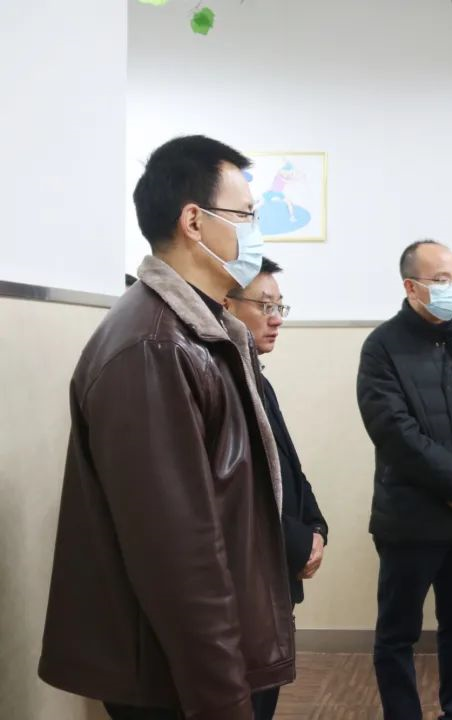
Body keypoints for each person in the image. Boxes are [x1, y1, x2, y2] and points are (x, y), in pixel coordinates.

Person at [38, 135, 295, 720]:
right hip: (172, 677)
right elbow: (180, 559)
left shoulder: (198, 330)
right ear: (194, 222)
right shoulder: (155, 346)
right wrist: (224, 699)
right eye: (246, 215)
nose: (256, 232)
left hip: (195, 664)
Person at [357, 239, 452, 720]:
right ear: (411, 286)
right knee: (397, 634)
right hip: (411, 519)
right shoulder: (382, 346)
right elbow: (395, 432)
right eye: (442, 280)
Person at [224, 257, 329, 720]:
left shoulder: (256, 378)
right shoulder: (221, 379)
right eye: (265, 305)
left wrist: (317, 526)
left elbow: (288, 468)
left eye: (279, 306)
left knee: (266, 690)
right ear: (225, 303)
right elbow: (235, 494)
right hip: (245, 581)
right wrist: (299, 542)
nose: (277, 318)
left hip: (275, 574)